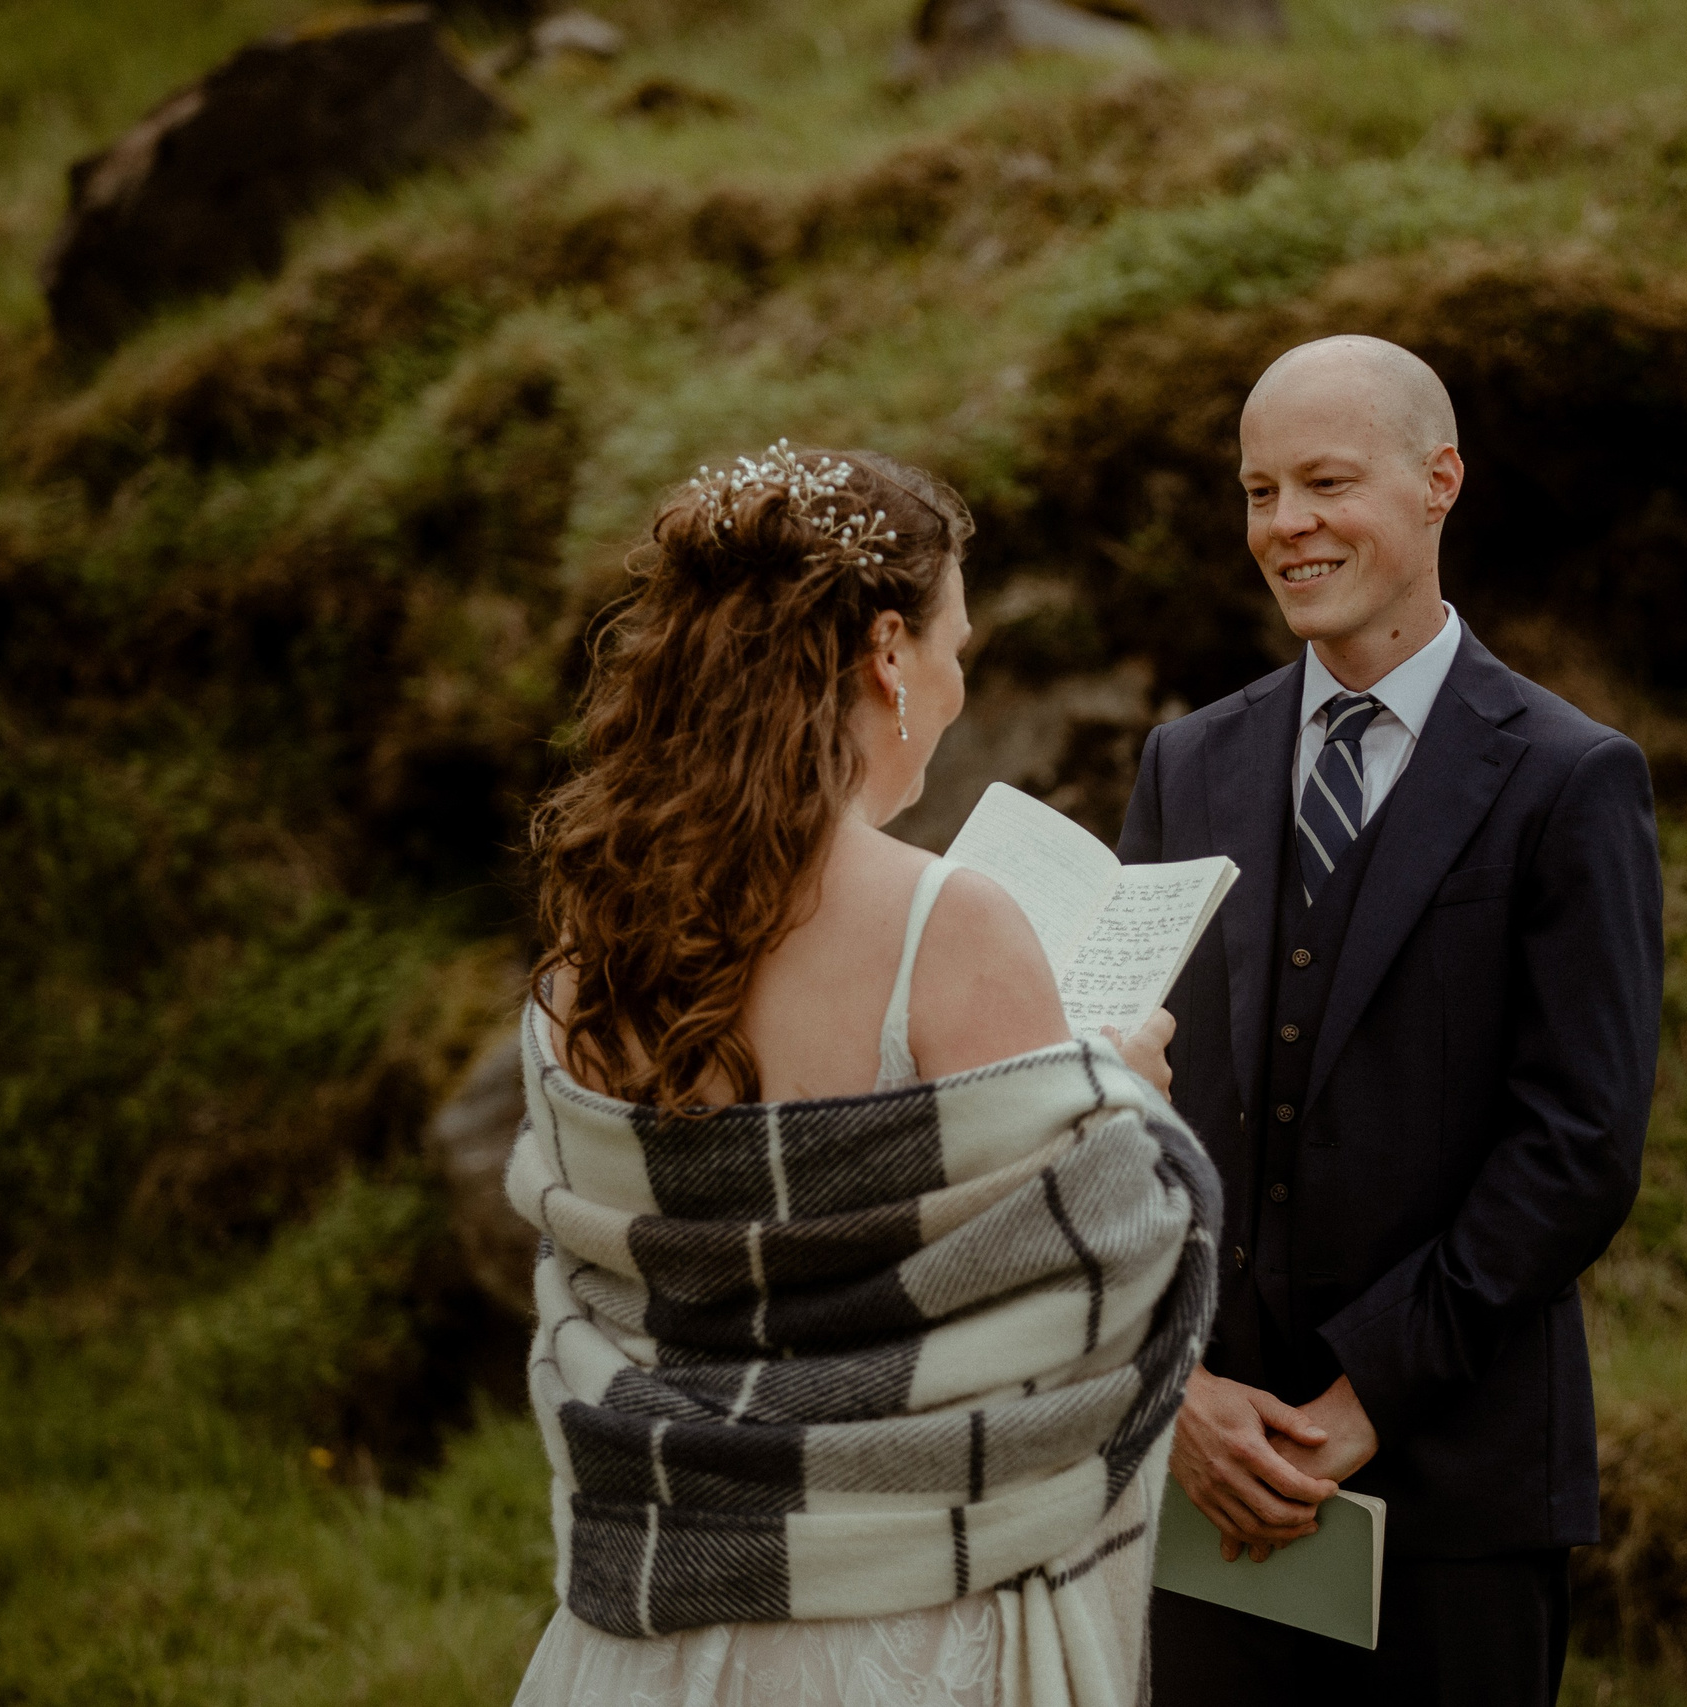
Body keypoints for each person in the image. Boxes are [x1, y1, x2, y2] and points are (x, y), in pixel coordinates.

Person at [507, 443, 1214, 1707]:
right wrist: (1118, 1101)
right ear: (888, 651)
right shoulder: (949, 924)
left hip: (650, 1621)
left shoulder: (586, 944)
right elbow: (1067, 1293)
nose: (951, 686)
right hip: (895, 1625)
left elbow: (619, 1265)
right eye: (955, 648)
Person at [1119, 337, 1664, 1706]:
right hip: (1210, 1484)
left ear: (1440, 483)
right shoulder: (1185, 765)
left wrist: (1364, 1396)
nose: (1285, 524)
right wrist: (1180, 1391)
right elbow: (1119, 1111)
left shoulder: (1570, 778)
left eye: (1325, 481)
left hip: (1458, 1494)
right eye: (1258, 490)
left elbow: (1579, 1141)